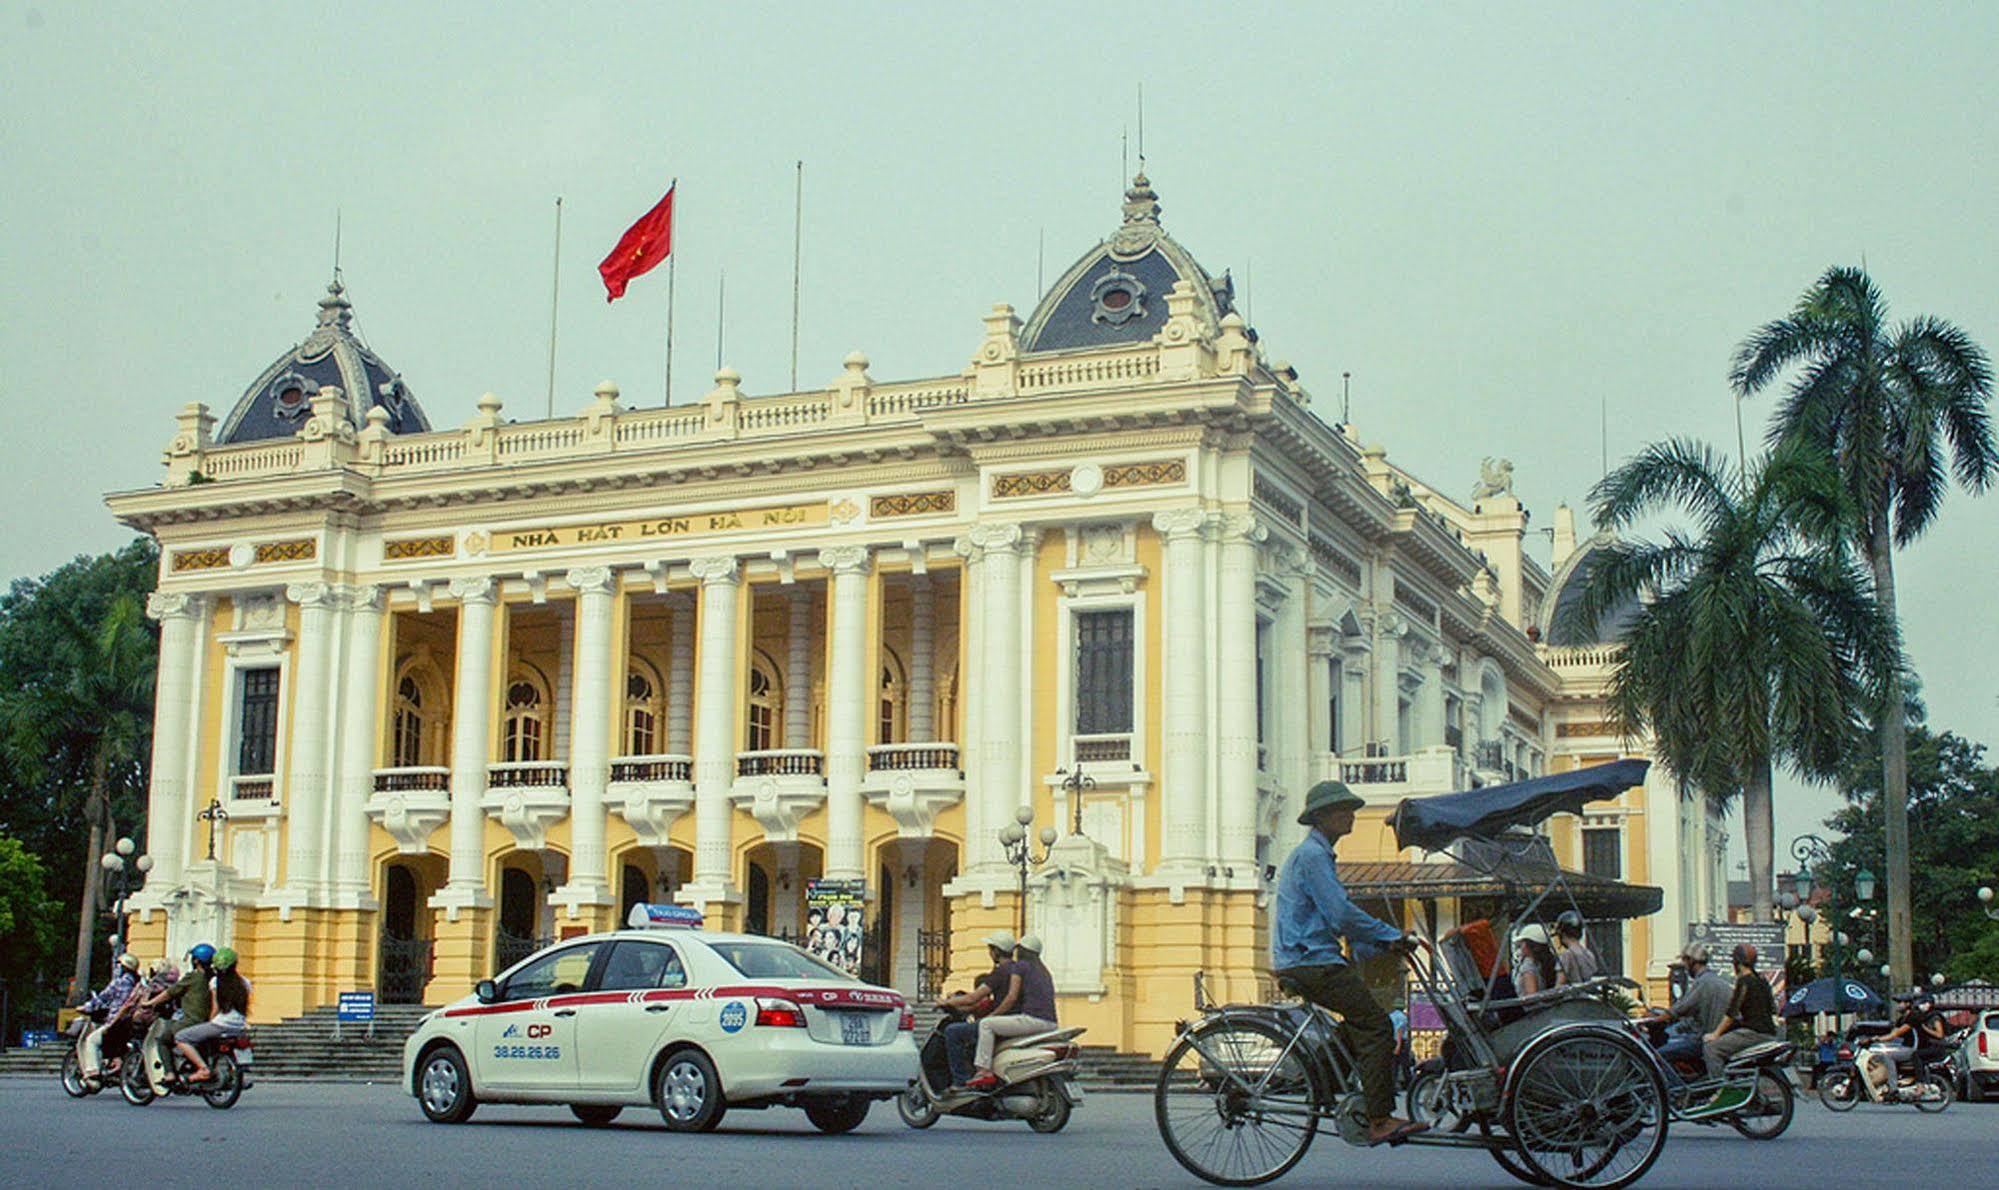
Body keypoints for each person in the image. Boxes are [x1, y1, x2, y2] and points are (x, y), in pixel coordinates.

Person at [1269, 779, 1427, 1147]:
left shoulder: (1317, 854)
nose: (1350, 816)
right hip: (1310, 961)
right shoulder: (1312, 855)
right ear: (1321, 817)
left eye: (1350, 809)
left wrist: (1380, 945)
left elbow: (1331, 918)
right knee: (1377, 1026)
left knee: (1358, 1023)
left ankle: (1319, 1083)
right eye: (1342, 810)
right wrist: (1389, 935)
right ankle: (1379, 1119)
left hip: (1310, 958)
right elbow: (1340, 913)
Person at [964, 934, 1059, 1092]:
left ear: (1022, 950)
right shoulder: (1044, 971)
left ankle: (983, 1071)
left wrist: (992, 1016)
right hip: (1051, 1023)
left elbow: (1011, 997)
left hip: (1032, 1019)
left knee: (986, 1025)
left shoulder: (1020, 966)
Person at [936, 930, 1016, 1089]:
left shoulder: (1000, 972)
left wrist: (947, 1002)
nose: (989, 953)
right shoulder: (1017, 969)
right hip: (1014, 1019)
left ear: (996, 951)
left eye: (990, 949)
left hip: (1001, 1021)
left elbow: (973, 998)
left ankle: (960, 1082)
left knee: (953, 1032)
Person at [1646, 942, 1730, 1086]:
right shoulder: (1718, 980)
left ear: (1692, 961)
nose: (1684, 966)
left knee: (1658, 1055)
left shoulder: (1702, 983)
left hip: (1704, 1039)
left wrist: (1657, 1019)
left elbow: (1681, 1008)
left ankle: (1677, 1091)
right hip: (1717, 1036)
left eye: (1685, 961)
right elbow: (1692, 1017)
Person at [141, 943, 216, 1091]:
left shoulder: (193, 977)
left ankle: (170, 1074)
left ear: (195, 961)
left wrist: (150, 1003)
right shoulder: (215, 978)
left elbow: (170, 993)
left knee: (163, 1040)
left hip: (192, 1021)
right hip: (211, 1022)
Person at [172, 946, 250, 1081]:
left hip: (220, 1024)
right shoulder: (245, 982)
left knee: (181, 1037)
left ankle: (203, 1069)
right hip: (239, 1025)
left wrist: (209, 1021)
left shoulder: (215, 982)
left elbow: (216, 1008)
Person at [1702, 943, 1777, 1077]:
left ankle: (1720, 1089)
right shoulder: (1762, 980)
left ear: (1737, 962)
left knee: (1711, 1049)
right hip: (1769, 1031)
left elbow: (1732, 1012)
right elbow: (1772, 1009)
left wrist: (1715, 1034)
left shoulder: (1744, 981)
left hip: (1754, 1033)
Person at [1863, 991, 1948, 1099]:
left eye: (1900, 1002)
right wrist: (1875, 1037)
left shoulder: (1913, 1017)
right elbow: (1891, 1032)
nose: (1898, 1005)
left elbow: (1895, 1035)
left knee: (1888, 1056)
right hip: (1905, 1047)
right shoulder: (1902, 1019)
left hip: (1912, 1048)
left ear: (1908, 1004)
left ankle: (1893, 1088)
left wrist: (1875, 1039)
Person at [76, 953, 141, 1086]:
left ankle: (93, 1071)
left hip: (118, 1022)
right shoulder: (137, 983)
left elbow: (103, 997)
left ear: (123, 967)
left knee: (92, 1040)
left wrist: (86, 1007)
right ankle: (115, 1065)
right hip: (131, 1023)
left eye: (119, 965)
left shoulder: (120, 982)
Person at [1553, 911, 1600, 985]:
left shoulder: (1566, 955)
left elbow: (1559, 986)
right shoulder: (1589, 954)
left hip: (1572, 996)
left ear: (1563, 933)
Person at [1512, 924, 1557, 997]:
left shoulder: (1528, 966)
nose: (1520, 948)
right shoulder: (1541, 963)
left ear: (1529, 945)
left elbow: (1531, 996)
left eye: (1522, 943)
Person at [1388, 1003, 1412, 1091]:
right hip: (1401, 1042)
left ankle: (1392, 1086)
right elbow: (1400, 1031)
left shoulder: (1390, 1016)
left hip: (1392, 1041)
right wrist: (1398, 1045)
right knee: (1405, 1065)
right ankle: (1409, 1085)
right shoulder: (1403, 1017)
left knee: (1394, 1066)